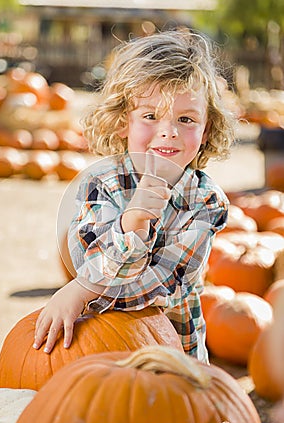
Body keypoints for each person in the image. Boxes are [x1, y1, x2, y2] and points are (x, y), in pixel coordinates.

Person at [33, 29, 235, 361]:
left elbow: (163, 286)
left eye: (186, 119)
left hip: (174, 354)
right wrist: (130, 226)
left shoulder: (205, 201)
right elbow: (88, 255)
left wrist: (85, 289)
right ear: (123, 121)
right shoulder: (101, 183)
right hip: (100, 346)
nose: (168, 130)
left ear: (206, 128)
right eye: (150, 116)